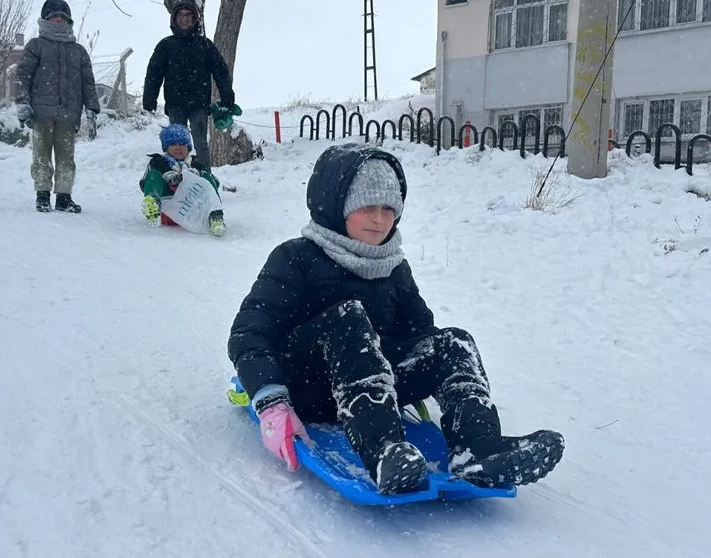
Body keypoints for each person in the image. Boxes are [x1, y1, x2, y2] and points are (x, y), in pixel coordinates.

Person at [227, 143, 565, 495]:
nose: (379, 218)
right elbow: (249, 333)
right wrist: (270, 399)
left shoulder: (393, 267)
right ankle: (385, 452)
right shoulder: (295, 257)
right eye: (366, 207)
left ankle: (477, 449)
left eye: (389, 208)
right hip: (309, 386)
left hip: (374, 387)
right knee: (350, 316)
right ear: (335, 204)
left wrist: (440, 376)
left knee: (453, 341)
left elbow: (420, 336)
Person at [15, 0, 99, 213]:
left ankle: (64, 196)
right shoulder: (36, 46)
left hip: (68, 114)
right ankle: (42, 195)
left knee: (66, 157)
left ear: (68, 21)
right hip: (41, 113)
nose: (58, 20)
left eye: (62, 17)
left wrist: (91, 108)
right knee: (41, 155)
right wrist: (23, 102)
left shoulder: (78, 51)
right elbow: (23, 76)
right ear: (46, 20)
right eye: (54, 17)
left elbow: (88, 82)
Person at [141, 0, 236, 169]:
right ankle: (176, 180)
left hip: (199, 104)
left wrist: (227, 95)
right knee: (176, 145)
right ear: (174, 19)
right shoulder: (166, 45)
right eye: (181, 15)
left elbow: (221, 71)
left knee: (200, 145)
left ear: (194, 20)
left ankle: (206, 180)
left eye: (189, 15)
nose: (185, 19)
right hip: (175, 104)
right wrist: (149, 99)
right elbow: (153, 74)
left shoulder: (204, 45)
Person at [139, 123, 227, 236]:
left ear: (188, 148)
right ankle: (153, 204)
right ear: (166, 148)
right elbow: (144, 183)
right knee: (153, 175)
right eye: (173, 144)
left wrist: (196, 177)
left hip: (193, 212)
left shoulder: (196, 164)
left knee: (207, 176)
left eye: (182, 144)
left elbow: (214, 184)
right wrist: (165, 178)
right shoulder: (158, 162)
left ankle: (215, 216)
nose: (177, 147)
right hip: (167, 211)